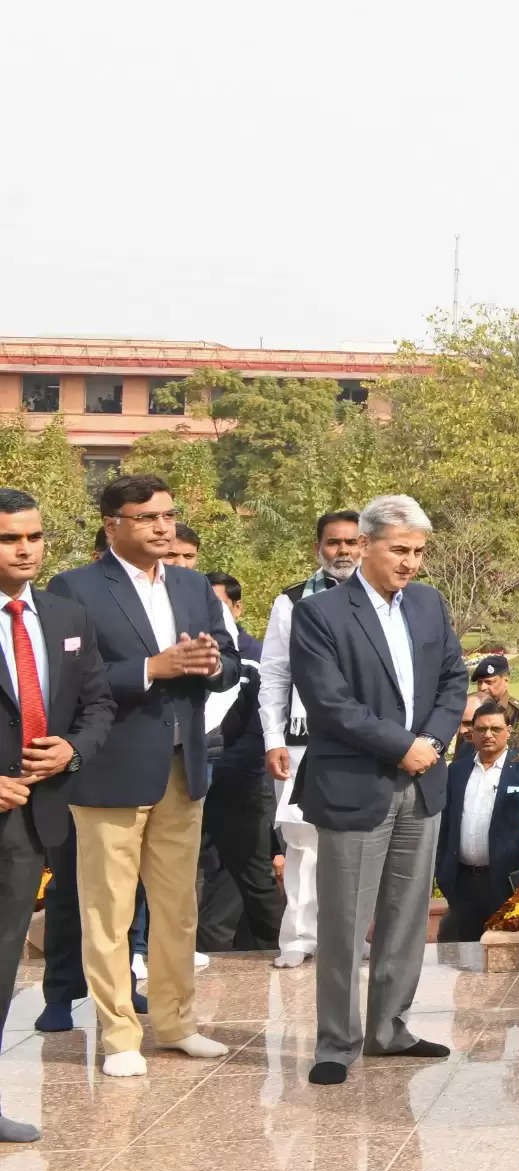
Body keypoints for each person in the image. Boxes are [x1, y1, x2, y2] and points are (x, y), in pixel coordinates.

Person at [42, 474, 238, 1076]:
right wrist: (153, 666)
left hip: (184, 767)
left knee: (179, 908)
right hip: (109, 770)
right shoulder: (75, 587)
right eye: (148, 517)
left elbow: (229, 666)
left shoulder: (190, 584)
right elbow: (68, 679)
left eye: (169, 516)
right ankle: (119, 1034)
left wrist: (210, 666)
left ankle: (176, 1023)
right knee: (108, 910)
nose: (163, 527)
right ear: (112, 525)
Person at [291, 493, 468, 1085]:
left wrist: (434, 742)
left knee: (406, 914)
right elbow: (330, 704)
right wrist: (402, 745)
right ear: (365, 545)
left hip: (424, 780)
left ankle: (390, 1029)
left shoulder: (427, 603)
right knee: (346, 919)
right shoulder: (319, 614)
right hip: (355, 784)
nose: (411, 562)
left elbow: (453, 678)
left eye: (419, 552)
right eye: (400, 550)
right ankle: (337, 1042)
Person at [0, 487, 115, 1137]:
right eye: (10, 537)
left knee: (3, 962)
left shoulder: (65, 616)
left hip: (31, 821)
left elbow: (98, 705)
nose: (25, 548)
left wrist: (72, 748)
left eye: (34, 536)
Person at [260, 509, 363, 969]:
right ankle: (299, 939)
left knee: (359, 842)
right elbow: (275, 674)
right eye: (334, 542)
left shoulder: (380, 595)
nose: (343, 551)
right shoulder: (293, 601)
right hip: (302, 740)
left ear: (365, 544)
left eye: (351, 542)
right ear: (318, 547)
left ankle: (351, 937)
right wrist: (271, 737)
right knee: (302, 844)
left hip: (364, 739)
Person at [196, 572, 283, 951]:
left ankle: (274, 947)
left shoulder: (259, 656)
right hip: (192, 779)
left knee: (252, 878)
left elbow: (264, 722)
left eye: (220, 606)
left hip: (242, 783)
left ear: (237, 607)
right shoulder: (192, 653)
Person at [436, 696, 519, 941]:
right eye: (481, 729)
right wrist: (443, 873)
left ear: (508, 731)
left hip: (507, 884)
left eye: (495, 729)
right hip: (463, 884)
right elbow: (446, 825)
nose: (488, 734)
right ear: (472, 733)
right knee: (463, 956)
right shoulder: (457, 771)